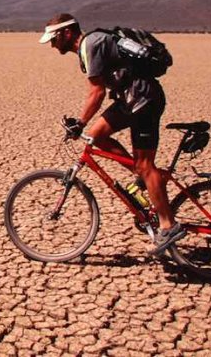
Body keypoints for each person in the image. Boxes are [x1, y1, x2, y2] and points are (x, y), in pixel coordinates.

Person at [38, 13, 185, 255]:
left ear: (66, 33)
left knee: (146, 165)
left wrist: (80, 123)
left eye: (54, 39)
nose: (52, 45)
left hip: (142, 99)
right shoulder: (90, 45)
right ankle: (141, 175)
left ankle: (169, 225)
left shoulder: (90, 44)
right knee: (97, 136)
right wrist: (84, 126)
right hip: (133, 99)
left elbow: (97, 92)